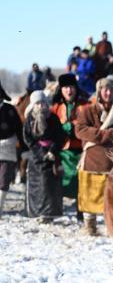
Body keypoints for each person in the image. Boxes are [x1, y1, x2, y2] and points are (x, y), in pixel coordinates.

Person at [75, 77, 113, 235]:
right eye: (105, 89)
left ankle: (111, 225)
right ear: (99, 92)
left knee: (112, 196)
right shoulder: (87, 111)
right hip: (92, 160)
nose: (108, 93)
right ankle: (90, 225)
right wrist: (104, 135)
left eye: (111, 90)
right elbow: (80, 130)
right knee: (90, 193)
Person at [23, 91, 65, 221]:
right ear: (33, 105)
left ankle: (50, 214)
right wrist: (41, 152)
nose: (40, 106)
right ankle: (37, 213)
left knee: (50, 186)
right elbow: (28, 139)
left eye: (42, 103)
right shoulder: (29, 120)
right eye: (37, 103)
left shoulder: (53, 118)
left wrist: (52, 151)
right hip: (36, 157)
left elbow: (60, 136)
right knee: (38, 186)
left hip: (52, 157)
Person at [50, 73, 88, 209]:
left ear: (76, 88)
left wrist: (75, 127)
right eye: (65, 87)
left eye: (71, 87)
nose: (69, 90)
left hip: (81, 149)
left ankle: (80, 208)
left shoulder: (85, 106)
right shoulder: (56, 107)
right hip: (62, 150)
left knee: (80, 180)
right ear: (61, 89)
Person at [0, 81, 23, 217]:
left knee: (3, 181)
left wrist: (24, 149)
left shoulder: (10, 110)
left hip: (7, 148)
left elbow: (19, 129)